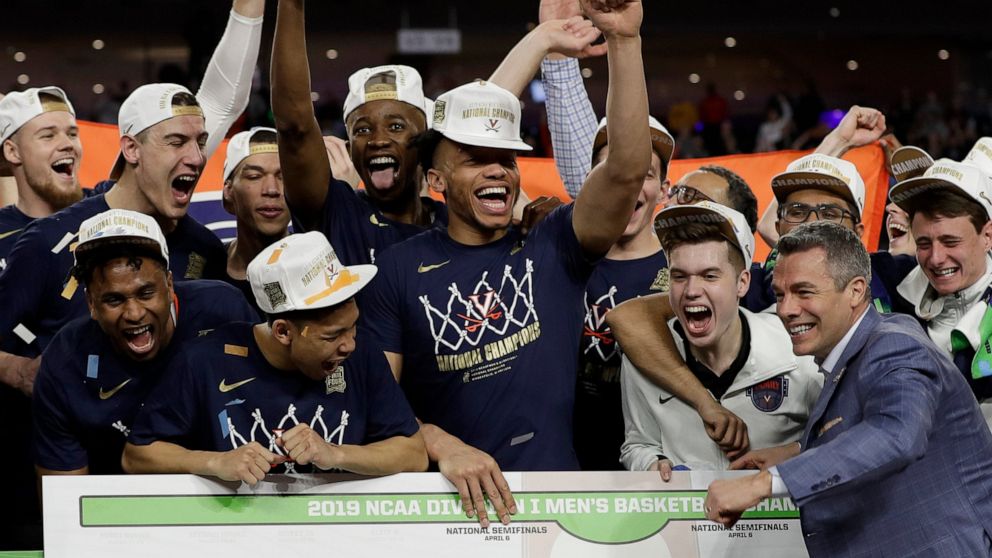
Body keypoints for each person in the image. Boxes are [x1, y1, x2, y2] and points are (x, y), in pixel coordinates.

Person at [364, 0, 650, 528]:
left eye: (508, 158)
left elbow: (628, 169)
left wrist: (625, 44)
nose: (498, 170)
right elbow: (374, 401)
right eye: (475, 159)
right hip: (449, 512)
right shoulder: (396, 271)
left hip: (559, 506)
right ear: (435, 183)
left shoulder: (555, 242)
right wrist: (441, 443)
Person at [704, 221, 992, 558]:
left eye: (804, 292)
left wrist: (764, 483)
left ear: (856, 290)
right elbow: (869, 424)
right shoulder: (855, 353)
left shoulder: (895, 347)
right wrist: (800, 450)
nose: (786, 310)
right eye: (780, 294)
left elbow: (896, 434)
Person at [123, 232, 427, 484]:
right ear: (283, 331)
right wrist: (214, 462)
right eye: (332, 336)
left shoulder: (363, 355)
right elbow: (136, 456)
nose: (349, 345)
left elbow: (413, 453)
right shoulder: (204, 361)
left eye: (354, 326)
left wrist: (335, 454)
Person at [32, 209, 257, 477]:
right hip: (118, 510)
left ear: (170, 284)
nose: (134, 313)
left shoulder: (224, 312)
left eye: (146, 293)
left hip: (231, 500)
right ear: (91, 303)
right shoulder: (65, 362)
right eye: (114, 299)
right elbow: (65, 502)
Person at [621, 202, 821, 475]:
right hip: (685, 516)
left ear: (742, 283)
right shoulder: (645, 355)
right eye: (679, 277)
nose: (691, 290)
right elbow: (638, 443)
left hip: (778, 517)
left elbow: (835, 444)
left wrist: (790, 458)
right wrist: (651, 464)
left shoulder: (797, 353)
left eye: (709, 276)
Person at [271, 0, 445, 267]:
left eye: (396, 126)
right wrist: (292, 5)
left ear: (425, 142)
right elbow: (295, 127)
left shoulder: (455, 221)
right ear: (350, 148)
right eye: (362, 130)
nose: (378, 140)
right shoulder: (337, 213)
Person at [890, 150, 992, 428]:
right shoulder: (888, 288)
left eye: (950, 242)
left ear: (987, 236)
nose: (935, 258)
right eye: (924, 243)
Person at [220, 127, 290, 312]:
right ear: (228, 190)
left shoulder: (315, 269)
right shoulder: (206, 265)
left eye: (283, 177)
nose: (272, 189)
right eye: (254, 177)